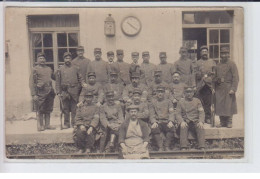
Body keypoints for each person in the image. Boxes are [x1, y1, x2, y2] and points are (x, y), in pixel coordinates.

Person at [55, 52, 86, 129]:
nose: (67, 60)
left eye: (69, 58)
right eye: (66, 58)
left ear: (71, 59)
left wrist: (82, 84)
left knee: (74, 108)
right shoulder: (60, 69)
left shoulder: (76, 68)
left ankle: (74, 123)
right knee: (65, 108)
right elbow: (57, 81)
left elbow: (80, 78)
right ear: (64, 59)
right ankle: (66, 123)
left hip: (74, 91)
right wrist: (58, 92)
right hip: (64, 92)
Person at [29, 52, 56, 131]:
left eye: (43, 58)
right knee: (40, 109)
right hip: (40, 93)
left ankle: (47, 125)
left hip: (49, 92)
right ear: (37, 60)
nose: (42, 60)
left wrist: (58, 72)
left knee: (48, 109)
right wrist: (34, 94)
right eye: (40, 58)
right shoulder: (35, 69)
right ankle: (40, 125)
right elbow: (31, 83)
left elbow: (54, 77)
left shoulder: (49, 69)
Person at [215, 46, 239, 128]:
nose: (224, 55)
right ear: (220, 55)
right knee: (219, 104)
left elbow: (236, 77)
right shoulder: (218, 65)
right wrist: (216, 81)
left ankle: (229, 121)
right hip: (219, 87)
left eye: (225, 53)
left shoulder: (232, 64)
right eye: (222, 53)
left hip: (229, 87)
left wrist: (233, 88)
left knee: (229, 104)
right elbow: (215, 77)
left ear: (228, 54)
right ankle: (222, 122)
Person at [176, 86, 205, 150]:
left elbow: (201, 112)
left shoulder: (197, 101)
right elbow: (178, 113)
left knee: (200, 127)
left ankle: (202, 146)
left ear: (193, 93)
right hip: (185, 121)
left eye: (190, 92)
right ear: (184, 93)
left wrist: (201, 121)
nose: (189, 94)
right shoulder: (181, 102)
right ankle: (183, 147)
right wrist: (181, 121)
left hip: (195, 121)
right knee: (183, 127)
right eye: (187, 92)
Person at [149, 86, 175, 151]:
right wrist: (154, 121)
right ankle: (160, 147)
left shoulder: (169, 102)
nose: (160, 94)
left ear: (164, 93)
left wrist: (171, 121)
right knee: (154, 128)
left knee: (171, 128)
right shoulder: (153, 102)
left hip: (166, 121)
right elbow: (152, 114)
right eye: (158, 92)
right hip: (158, 121)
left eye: (161, 92)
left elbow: (171, 113)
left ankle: (166, 146)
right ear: (156, 93)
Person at [195, 45, 216, 124]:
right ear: (200, 53)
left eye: (205, 51)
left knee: (208, 102)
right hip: (200, 85)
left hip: (208, 85)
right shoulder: (197, 63)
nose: (204, 53)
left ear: (208, 52)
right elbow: (195, 74)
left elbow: (214, 74)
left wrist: (212, 84)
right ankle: (202, 118)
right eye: (203, 51)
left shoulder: (212, 62)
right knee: (200, 102)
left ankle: (208, 117)